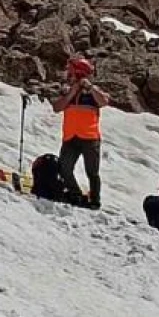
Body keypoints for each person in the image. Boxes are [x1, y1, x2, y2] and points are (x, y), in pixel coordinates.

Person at [52, 57, 112, 208]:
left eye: (71, 72)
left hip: (89, 138)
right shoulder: (67, 91)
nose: (69, 75)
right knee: (64, 167)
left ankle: (95, 200)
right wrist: (72, 93)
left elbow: (103, 101)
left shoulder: (92, 92)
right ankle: (75, 194)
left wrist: (90, 88)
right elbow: (57, 107)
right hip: (71, 137)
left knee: (92, 172)